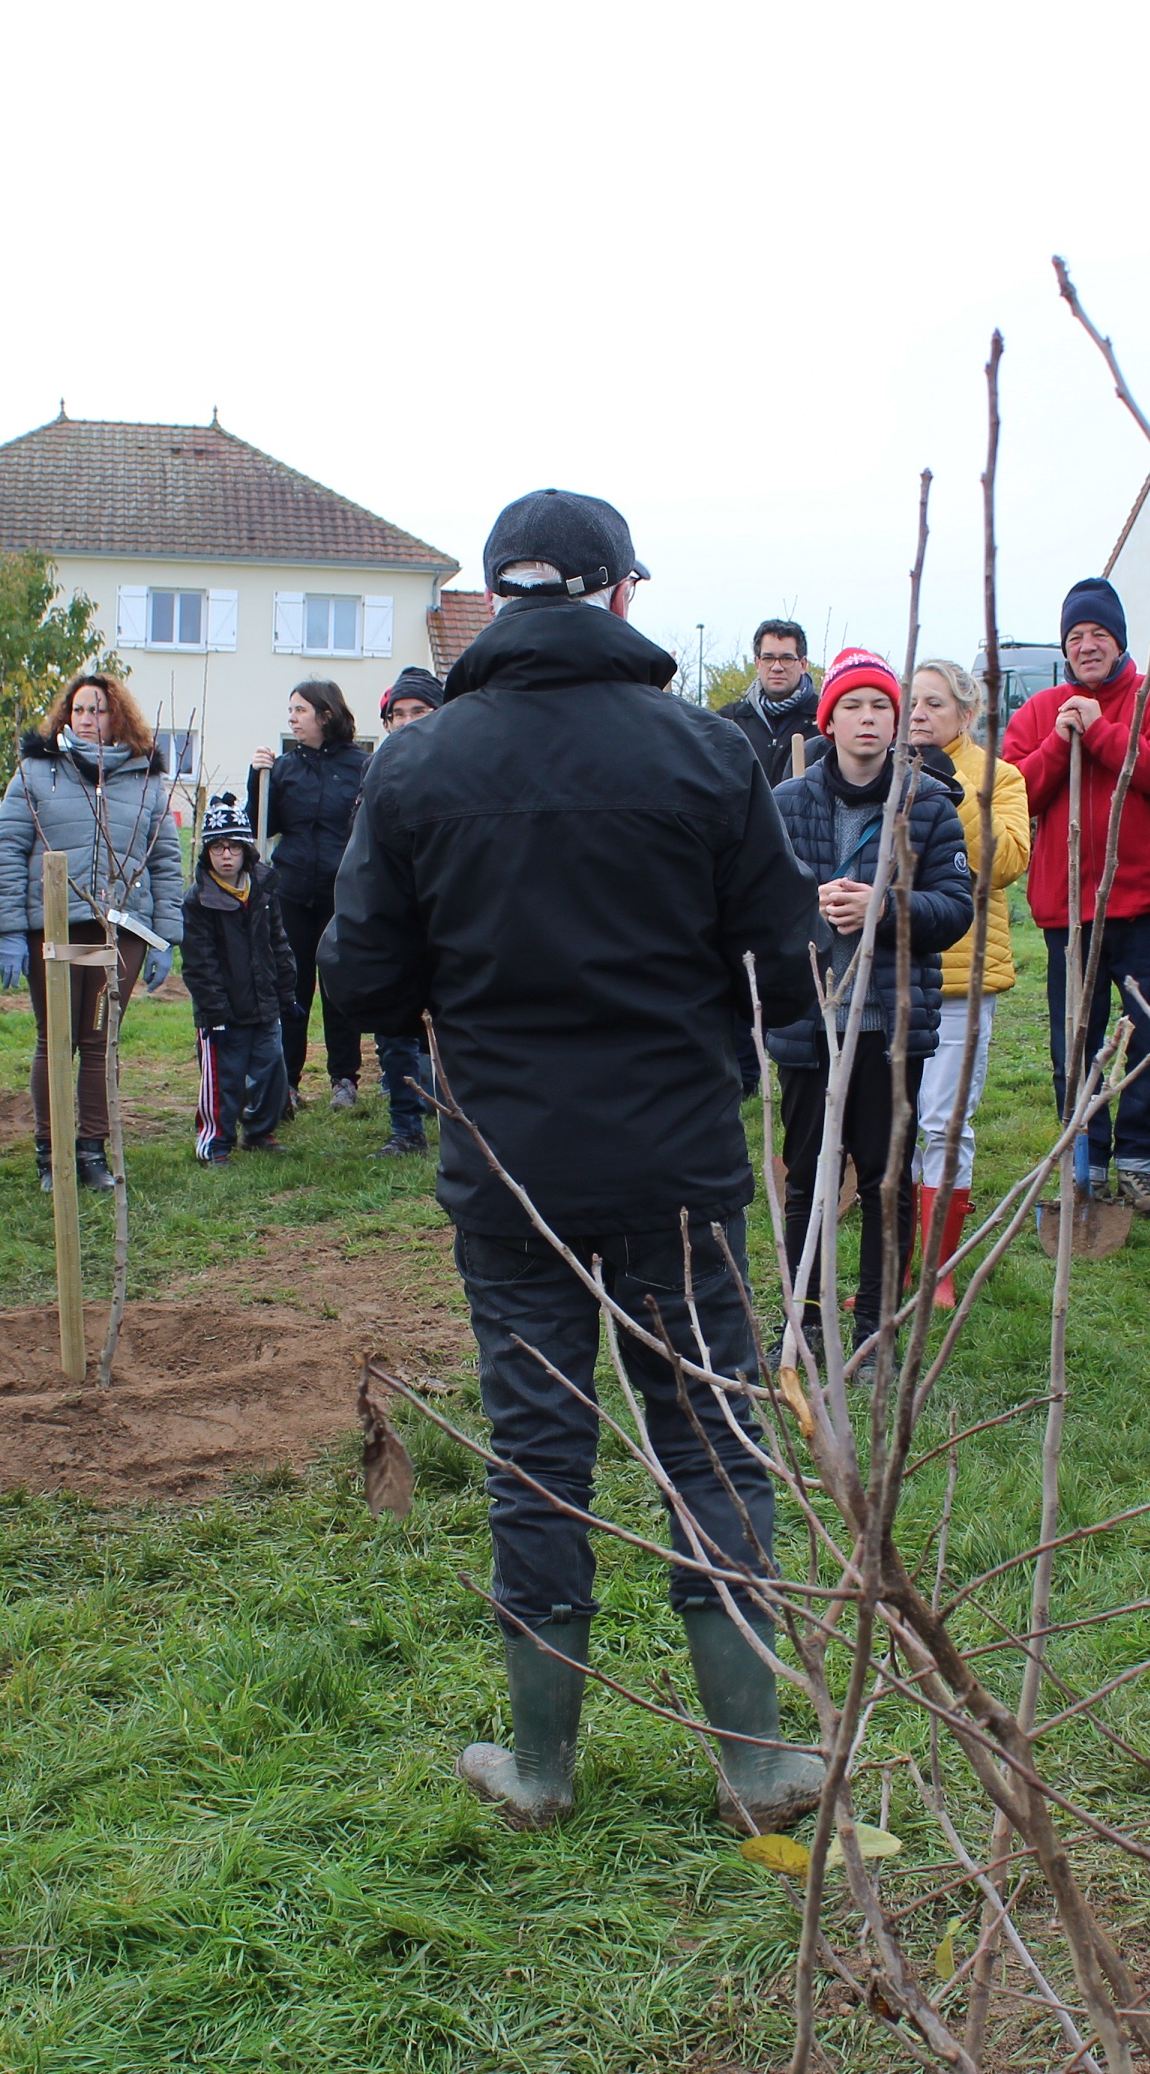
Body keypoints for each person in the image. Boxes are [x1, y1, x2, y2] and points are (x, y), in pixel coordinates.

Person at [323, 488, 823, 1837]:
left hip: (511, 1163)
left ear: (498, 597)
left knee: (539, 1445)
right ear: (613, 594)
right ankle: (757, 1764)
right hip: (675, 1157)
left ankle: (540, 1768)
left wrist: (460, 990)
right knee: (708, 1435)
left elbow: (359, 975)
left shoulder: (418, 766)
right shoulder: (706, 751)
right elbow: (785, 957)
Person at [766, 649, 974, 1353]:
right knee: (806, 1180)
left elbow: (955, 909)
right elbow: (755, 905)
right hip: (808, 1022)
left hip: (890, 1027)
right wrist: (808, 908)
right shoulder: (785, 805)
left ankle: (876, 1329)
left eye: (880, 706)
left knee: (884, 1180)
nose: (867, 718)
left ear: (896, 722)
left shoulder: (929, 805)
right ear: (829, 719)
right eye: (852, 705)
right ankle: (805, 1320)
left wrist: (883, 907)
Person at [999, 576, 1150, 1214]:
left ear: (1120, 641)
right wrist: (1062, 739)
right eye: (1076, 636)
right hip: (1069, 911)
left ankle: (1139, 1161)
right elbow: (1016, 791)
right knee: (1073, 1040)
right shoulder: (1038, 711)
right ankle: (1083, 1155)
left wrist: (1104, 731)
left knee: (1148, 1033)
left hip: (1147, 905)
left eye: (1098, 635)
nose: (1087, 646)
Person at [0, 672, 183, 1193]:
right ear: (65, 716)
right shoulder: (36, 773)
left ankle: (91, 1151)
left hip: (119, 931)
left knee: (98, 1041)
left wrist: (165, 936)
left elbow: (164, 859)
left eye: (97, 710)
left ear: (117, 715)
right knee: (56, 1040)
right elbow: (7, 851)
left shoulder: (146, 781)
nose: (87, 719)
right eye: (78, 710)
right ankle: (50, 1154)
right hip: (51, 927)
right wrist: (10, 929)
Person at [900, 658, 1029, 1309]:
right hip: (887, 976)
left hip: (958, 979)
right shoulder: (879, 770)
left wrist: (951, 795)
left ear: (965, 713)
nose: (917, 713)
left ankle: (937, 1270)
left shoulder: (998, 778)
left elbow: (1003, 861)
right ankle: (894, 1263)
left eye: (933, 703)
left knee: (943, 1123)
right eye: (911, 702)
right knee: (890, 1124)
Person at [250, 678, 369, 1112]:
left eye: (300, 710)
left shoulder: (361, 766)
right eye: (291, 710)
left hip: (343, 892)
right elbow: (262, 822)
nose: (292, 718)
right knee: (291, 987)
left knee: (339, 986)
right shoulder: (283, 769)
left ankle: (344, 1079)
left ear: (327, 714)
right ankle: (288, 1080)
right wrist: (256, 777)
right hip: (292, 891)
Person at [182, 792, 294, 1162]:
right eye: (217, 848)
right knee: (223, 1081)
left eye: (233, 847)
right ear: (206, 853)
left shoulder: (263, 890)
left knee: (272, 1068)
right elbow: (200, 962)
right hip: (223, 1012)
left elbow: (278, 943)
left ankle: (260, 1131)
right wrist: (214, 1010)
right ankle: (215, 1142)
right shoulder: (198, 901)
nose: (226, 855)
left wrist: (285, 991)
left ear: (247, 850)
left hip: (265, 1003)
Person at [368, 670, 444, 1157]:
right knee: (394, 1030)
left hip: (450, 921)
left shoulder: (464, 769)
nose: (408, 722)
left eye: (419, 712)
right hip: (396, 923)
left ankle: (461, 1121)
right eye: (398, 714)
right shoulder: (378, 773)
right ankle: (406, 1128)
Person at [719, 619, 822, 785]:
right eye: (768, 658)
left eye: (787, 658)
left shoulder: (825, 722)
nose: (777, 667)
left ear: (803, 664)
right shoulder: (729, 722)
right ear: (757, 663)